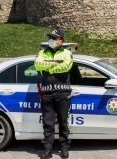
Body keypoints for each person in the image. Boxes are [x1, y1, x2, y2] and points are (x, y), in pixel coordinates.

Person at [35, 28, 73, 159]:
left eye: (54, 38)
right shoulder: (43, 52)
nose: (51, 40)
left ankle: (64, 147)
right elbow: (37, 65)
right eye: (50, 37)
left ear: (61, 41)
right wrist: (54, 64)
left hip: (63, 93)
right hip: (47, 93)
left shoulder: (67, 53)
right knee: (48, 123)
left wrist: (48, 67)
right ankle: (47, 149)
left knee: (63, 122)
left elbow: (67, 66)